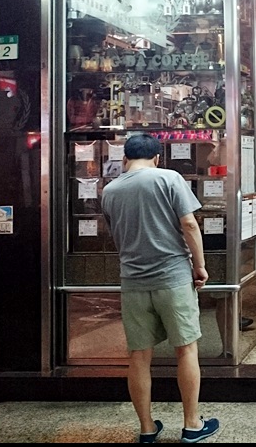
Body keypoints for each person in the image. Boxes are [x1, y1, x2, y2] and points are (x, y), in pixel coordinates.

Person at [100, 133, 220, 444]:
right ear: (157, 157)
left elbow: (116, 235)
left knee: (139, 355)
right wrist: (200, 265)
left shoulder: (110, 191)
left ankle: (146, 429)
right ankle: (192, 425)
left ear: (125, 158)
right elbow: (190, 224)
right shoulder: (168, 178)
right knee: (186, 349)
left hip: (134, 281)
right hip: (172, 277)